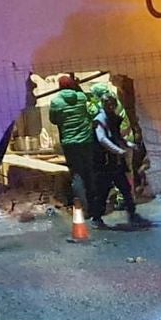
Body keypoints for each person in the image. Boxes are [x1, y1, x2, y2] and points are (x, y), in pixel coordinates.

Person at [91, 89, 152, 228]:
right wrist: (119, 150)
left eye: (112, 105)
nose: (111, 107)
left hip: (113, 162)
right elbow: (102, 139)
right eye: (108, 105)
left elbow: (117, 137)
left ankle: (132, 214)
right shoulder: (99, 120)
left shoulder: (112, 118)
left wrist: (129, 145)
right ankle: (96, 217)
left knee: (125, 188)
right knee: (103, 191)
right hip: (104, 163)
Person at [47, 74, 99, 223]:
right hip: (86, 140)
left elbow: (53, 119)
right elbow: (90, 112)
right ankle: (95, 207)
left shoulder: (56, 101)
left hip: (69, 143)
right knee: (89, 172)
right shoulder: (81, 98)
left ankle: (83, 208)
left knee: (77, 175)